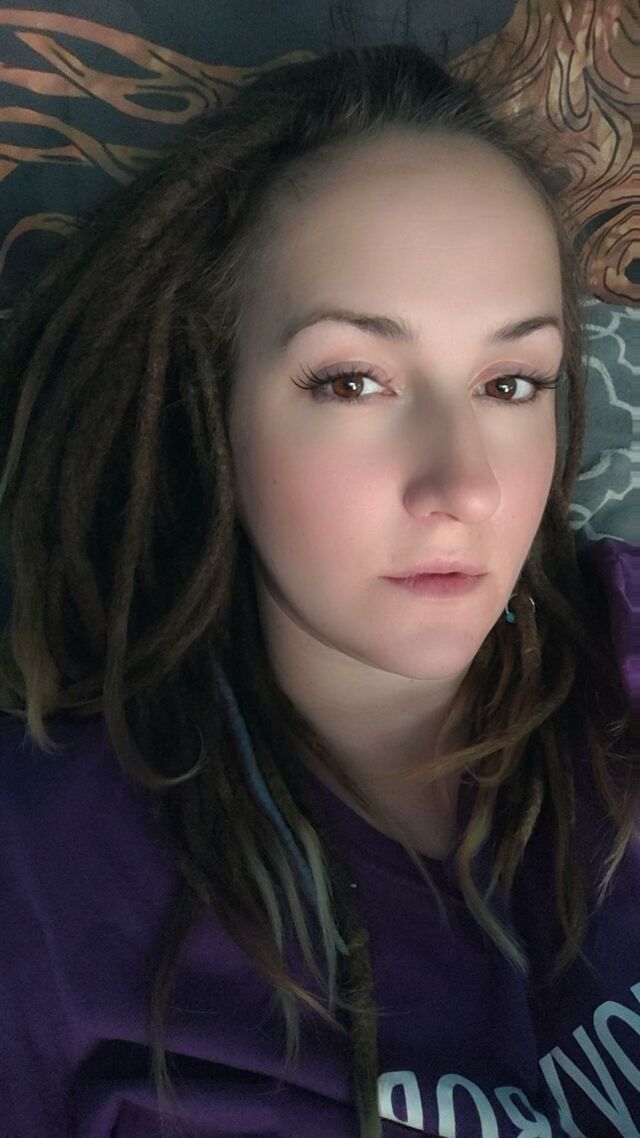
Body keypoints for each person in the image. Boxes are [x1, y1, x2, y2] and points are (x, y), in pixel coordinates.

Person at [0, 40, 636, 1138]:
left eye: (510, 382)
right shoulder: (45, 871)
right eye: (352, 381)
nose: (464, 486)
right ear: (209, 404)